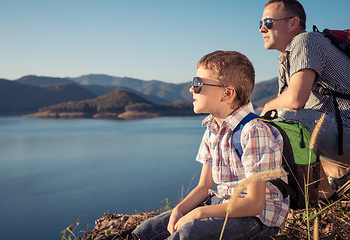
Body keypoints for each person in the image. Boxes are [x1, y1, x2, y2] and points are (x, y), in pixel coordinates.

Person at [132, 50, 289, 240]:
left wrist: (199, 213)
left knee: (190, 233)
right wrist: (179, 210)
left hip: (257, 219)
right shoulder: (212, 128)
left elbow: (255, 203)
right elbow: (204, 186)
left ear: (227, 93)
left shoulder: (253, 131)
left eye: (198, 84)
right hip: (221, 204)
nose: (191, 89)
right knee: (150, 228)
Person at [259, 0, 350, 197]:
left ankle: (325, 195)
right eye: (260, 23)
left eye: (268, 22)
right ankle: (333, 179)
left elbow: (294, 100)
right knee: (274, 123)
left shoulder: (306, 41)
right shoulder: (286, 60)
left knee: (281, 119)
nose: (262, 29)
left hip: (346, 129)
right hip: (338, 134)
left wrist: (265, 108)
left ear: (293, 23)